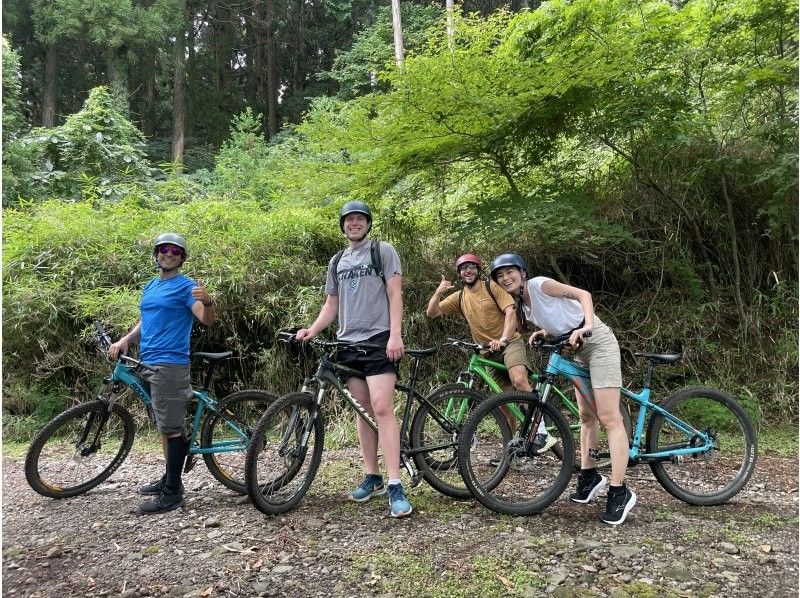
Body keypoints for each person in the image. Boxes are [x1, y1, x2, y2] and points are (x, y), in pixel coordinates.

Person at [489, 253, 636, 525]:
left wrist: (589, 324)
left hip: (598, 342)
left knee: (609, 418)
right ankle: (589, 476)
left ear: (522, 273)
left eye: (510, 272)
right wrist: (545, 332)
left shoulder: (539, 285)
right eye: (500, 276)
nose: (505, 278)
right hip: (578, 348)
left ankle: (619, 491)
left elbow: (582, 295)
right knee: (585, 417)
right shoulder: (524, 303)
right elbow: (559, 315)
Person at [295, 201, 412, 518]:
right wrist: (312, 329)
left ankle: (394, 484)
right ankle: (371, 475)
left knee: (383, 407)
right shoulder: (337, 261)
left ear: (368, 223)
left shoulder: (383, 251)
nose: (354, 223)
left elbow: (395, 294)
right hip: (347, 342)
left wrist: (395, 334)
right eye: (349, 219)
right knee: (362, 409)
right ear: (343, 225)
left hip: (379, 339)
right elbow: (331, 303)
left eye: (360, 219)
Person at [108, 232, 216, 515]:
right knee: (164, 427)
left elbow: (205, 319)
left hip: (170, 364)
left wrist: (208, 301)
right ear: (156, 254)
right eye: (164, 249)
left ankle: (173, 492)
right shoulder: (151, 286)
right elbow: (147, 319)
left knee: (171, 429)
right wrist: (125, 340)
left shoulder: (186, 287)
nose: (169, 254)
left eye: (176, 251)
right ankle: (170, 476)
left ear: (182, 258)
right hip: (148, 361)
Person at [426, 253, 555, 454]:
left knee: (519, 380)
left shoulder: (491, 287)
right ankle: (512, 450)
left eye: (472, 267)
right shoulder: (459, 297)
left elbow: (511, 311)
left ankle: (541, 431)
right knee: (504, 405)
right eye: (463, 268)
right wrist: (437, 293)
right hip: (487, 353)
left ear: (478, 270)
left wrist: (503, 339)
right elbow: (432, 313)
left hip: (510, 343)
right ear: (459, 273)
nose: (468, 271)